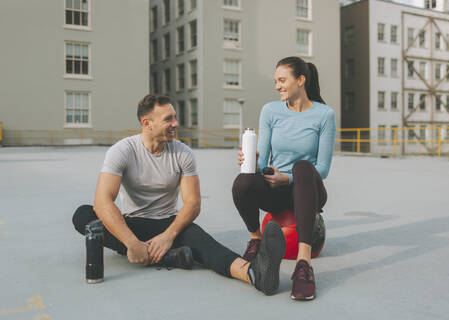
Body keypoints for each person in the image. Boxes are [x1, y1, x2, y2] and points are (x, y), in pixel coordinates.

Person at [72, 94, 286, 296]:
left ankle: (256, 274)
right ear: (147, 123)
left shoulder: (183, 153)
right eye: (168, 119)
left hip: (169, 224)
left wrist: (167, 236)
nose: (175, 123)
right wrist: (131, 243)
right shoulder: (123, 150)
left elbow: (192, 203)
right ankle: (169, 257)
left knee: (206, 245)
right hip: (132, 225)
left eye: (175, 117)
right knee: (83, 215)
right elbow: (102, 202)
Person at [232, 56, 336, 300]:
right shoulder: (270, 110)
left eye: (282, 80)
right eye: (275, 81)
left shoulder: (324, 115)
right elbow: (263, 161)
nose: (277, 86)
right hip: (276, 191)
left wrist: (286, 179)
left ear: (300, 80)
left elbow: (322, 169)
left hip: (309, 189)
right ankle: (256, 240)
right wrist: (251, 161)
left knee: (302, 167)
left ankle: (303, 264)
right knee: (243, 182)